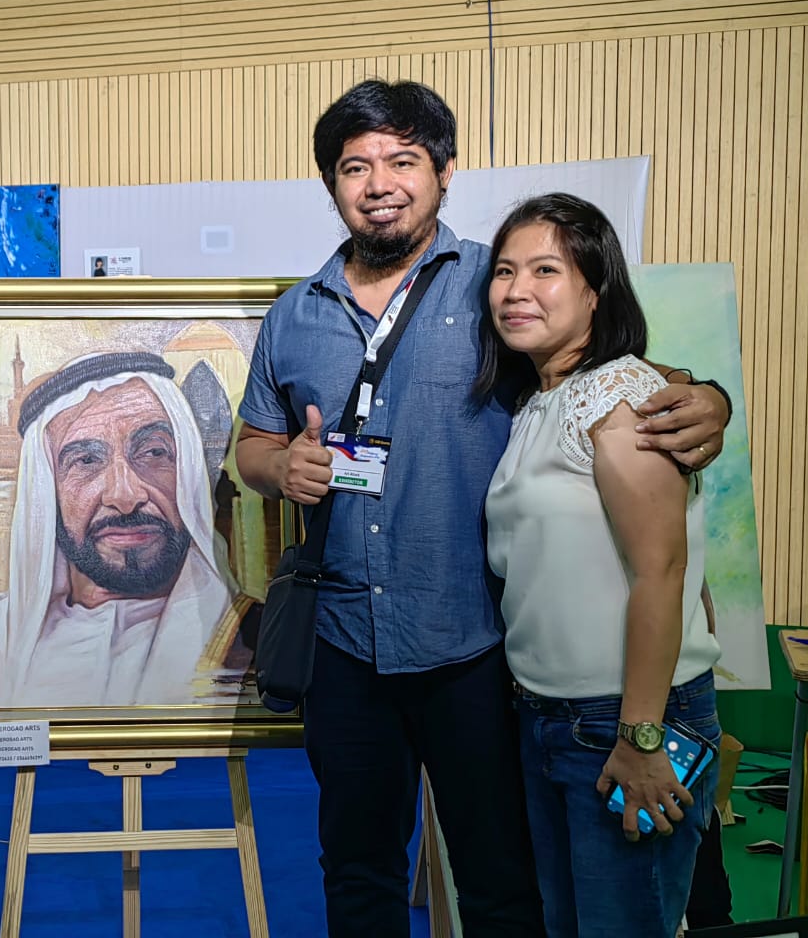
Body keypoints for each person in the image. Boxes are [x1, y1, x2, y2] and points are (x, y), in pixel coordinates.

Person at [235, 79, 731, 937]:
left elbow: (601, 367)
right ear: (331, 185)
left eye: (403, 160)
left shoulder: (492, 285)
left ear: (444, 172)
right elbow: (248, 448)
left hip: (478, 644)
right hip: (344, 644)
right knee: (356, 870)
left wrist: (708, 397)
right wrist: (283, 465)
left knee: (500, 876)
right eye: (356, 166)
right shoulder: (293, 315)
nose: (379, 182)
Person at [478, 193, 722, 937]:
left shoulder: (622, 396)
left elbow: (663, 573)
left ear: (595, 289)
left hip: (624, 723)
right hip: (549, 720)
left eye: (545, 270)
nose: (516, 290)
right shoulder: (536, 404)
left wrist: (642, 737)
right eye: (505, 270)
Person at [0, 352, 260, 707]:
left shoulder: (255, 638)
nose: (125, 496)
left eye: (152, 453)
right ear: (45, 493)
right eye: (86, 461)